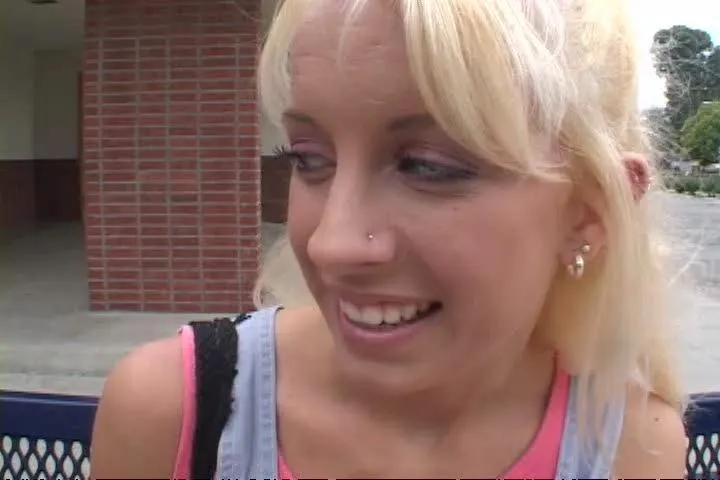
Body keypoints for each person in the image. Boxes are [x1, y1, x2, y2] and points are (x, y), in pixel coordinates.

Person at [90, 0, 689, 478]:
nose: (331, 244)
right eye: (308, 158)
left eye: (428, 166)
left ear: (587, 214)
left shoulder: (632, 449)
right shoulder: (175, 411)